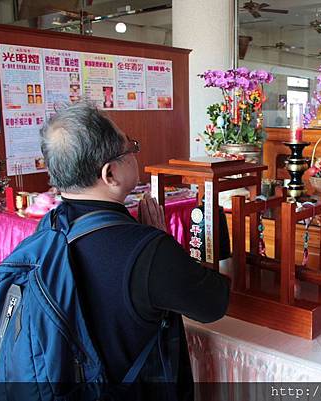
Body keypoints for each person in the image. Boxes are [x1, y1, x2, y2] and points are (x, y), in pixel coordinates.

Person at [39, 101, 230, 399]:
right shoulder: (145, 250)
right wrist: (164, 245)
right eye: (130, 148)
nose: (134, 153)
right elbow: (214, 303)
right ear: (110, 174)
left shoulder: (45, 231)